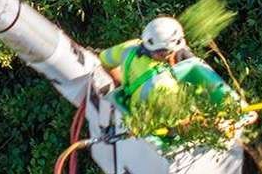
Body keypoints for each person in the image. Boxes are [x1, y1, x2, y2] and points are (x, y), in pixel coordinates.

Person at [99, 16, 235, 114]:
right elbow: (183, 125)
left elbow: (104, 60)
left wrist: (120, 82)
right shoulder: (163, 85)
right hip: (152, 120)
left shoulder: (129, 48)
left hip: (134, 104)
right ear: (163, 53)